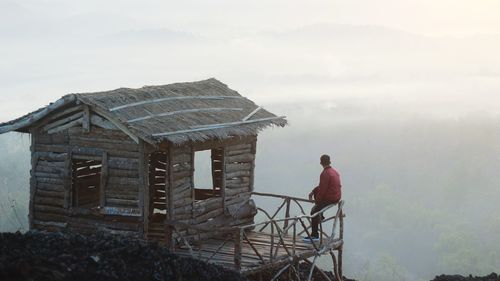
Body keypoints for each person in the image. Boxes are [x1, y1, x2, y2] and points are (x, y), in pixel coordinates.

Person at [306, 154, 342, 240]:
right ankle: (320, 215)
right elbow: (322, 186)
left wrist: (317, 203)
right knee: (317, 206)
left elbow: (322, 190)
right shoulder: (335, 172)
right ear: (329, 162)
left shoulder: (325, 173)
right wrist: (313, 191)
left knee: (314, 212)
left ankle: (314, 235)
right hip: (336, 197)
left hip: (330, 198)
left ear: (321, 162)